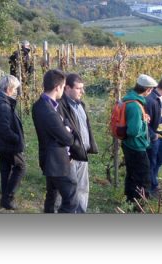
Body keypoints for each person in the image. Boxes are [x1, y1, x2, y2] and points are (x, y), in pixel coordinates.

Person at [32, 69, 78, 213]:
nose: (63, 91)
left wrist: (66, 128)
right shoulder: (48, 111)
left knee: (51, 196)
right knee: (71, 200)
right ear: (57, 87)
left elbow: (65, 124)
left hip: (49, 158)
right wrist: (68, 132)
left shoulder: (42, 104)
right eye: (63, 87)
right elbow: (67, 138)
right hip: (57, 161)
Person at [0, 75, 26, 210]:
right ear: (8, 89)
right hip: (7, 144)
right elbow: (4, 129)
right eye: (15, 89)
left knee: (5, 168)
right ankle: (8, 198)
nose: (15, 92)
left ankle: (4, 198)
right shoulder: (3, 105)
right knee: (21, 167)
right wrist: (17, 138)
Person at [57, 73, 98, 213]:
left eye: (82, 88)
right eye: (78, 88)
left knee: (82, 189)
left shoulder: (81, 105)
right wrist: (67, 153)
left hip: (82, 153)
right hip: (70, 156)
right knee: (68, 191)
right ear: (67, 88)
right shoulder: (60, 106)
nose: (82, 91)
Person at [122, 74, 156, 203]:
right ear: (147, 90)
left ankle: (130, 200)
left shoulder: (128, 99)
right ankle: (139, 204)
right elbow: (133, 131)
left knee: (131, 174)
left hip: (128, 144)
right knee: (143, 178)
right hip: (136, 146)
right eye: (151, 90)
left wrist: (142, 119)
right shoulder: (135, 106)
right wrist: (144, 123)